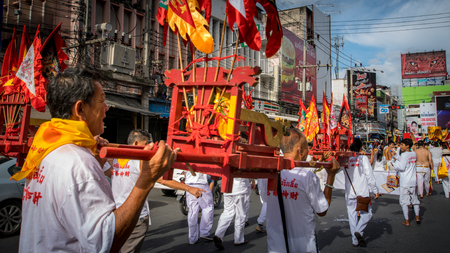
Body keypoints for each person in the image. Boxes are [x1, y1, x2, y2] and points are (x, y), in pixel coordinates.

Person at [13, 67, 177, 252]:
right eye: (102, 101)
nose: (107, 108)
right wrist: (145, 181)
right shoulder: (77, 161)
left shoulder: (44, 148)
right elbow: (106, 242)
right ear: (80, 108)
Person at [265, 128, 341, 253]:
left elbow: (266, 199)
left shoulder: (268, 173)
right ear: (300, 150)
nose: (307, 152)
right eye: (306, 148)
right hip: (303, 245)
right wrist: (331, 177)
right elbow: (322, 211)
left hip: (276, 245)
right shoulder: (307, 176)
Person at [345, 138, 380, 247]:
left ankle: (355, 240)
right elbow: (369, 176)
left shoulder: (345, 158)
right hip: (362, 192)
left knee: (352, 216)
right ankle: (359, 231)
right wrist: (375, 190)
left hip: (350, 192)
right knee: (367, 214)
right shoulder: (363, 158)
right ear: (360, 147)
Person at [177, 170, 214, 244]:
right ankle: (205, 233)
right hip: (201, 183)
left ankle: (192, 238)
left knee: (192, 210)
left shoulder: (186, 159)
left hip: (189, 185)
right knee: (207, 207)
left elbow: (184, 173)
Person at [213, 177, 251, 249]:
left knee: (227, 212)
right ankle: (239, 239)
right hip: (240, 188)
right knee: (240, 214)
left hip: (227, 188)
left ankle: (218, 234)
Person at [391, 138, 420, 226]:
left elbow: (402, 167)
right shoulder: (413, 154)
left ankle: (407, 220)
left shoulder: (404, 155)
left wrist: (394, 164)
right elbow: (405, 161)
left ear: (407, 146)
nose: (400, 146)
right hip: (413, 180)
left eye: (402, 145)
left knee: (404, 201)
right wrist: (396, 156)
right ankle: (417, 217)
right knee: (414, 199)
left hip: (405, 181)